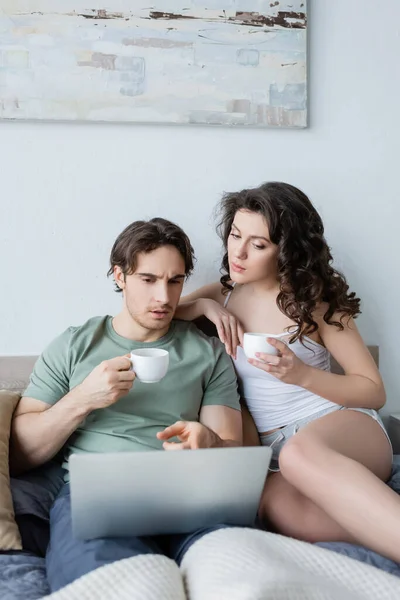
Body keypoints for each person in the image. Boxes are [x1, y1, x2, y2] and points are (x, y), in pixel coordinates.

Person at [10, 217, 242, 592]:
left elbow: (233, 453)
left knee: (238, 574)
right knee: (113, 585)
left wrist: (210, 443)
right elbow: (19, 453)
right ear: (119, 276)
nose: (164, 298)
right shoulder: (75, 345)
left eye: (175, 281)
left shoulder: (208, 353)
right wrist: (83, 399)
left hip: (190, 491)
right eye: (148, 280)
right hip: (100, 493)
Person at [175, 181, 400, 564]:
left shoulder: (313, 303)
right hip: (275, 454)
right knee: (272, 509)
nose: (239, 253)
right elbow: (157, 312)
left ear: (286, 251)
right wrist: (203, 308)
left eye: (258, 244)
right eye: (235, 235)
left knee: (299, 454)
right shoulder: (225, 293)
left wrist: (300, 375)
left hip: (342, 428)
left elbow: (372, 389)